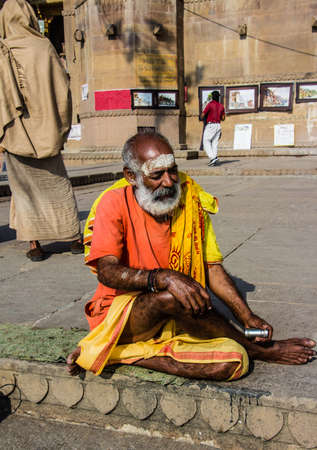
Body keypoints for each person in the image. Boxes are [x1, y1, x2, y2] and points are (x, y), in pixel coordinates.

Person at [67, 131, 315, 380]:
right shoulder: (113, 202)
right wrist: (163, 278)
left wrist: (246, 316)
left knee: (232, 362)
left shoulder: (190, 199)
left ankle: (114, 355)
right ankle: (262, 351)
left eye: (172, 170)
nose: (168, 181)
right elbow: (106, 270)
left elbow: (212, 268)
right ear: (131, 176)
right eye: (156, 175)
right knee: (172, 296)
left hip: (176, 314)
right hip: (124, 317)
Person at [0, 0, 83, 261]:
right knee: (57, 184)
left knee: (23, 191)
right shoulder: (44, 47)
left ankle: (35, 244)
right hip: (47, 132)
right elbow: (62, 90)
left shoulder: (3, 51)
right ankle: (74, 238)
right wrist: (59, 127)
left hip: (17, 133)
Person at [200, 91, 225, 167]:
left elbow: (202, 115)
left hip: (211, 125)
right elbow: (223, 118)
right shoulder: (221, 106)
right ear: (218, 97)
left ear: (212, 97)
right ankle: (214, 159)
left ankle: (213, 158)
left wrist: (202, 115)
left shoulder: (210, 105)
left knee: (206, 141)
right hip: (218, 125)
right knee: (214, 143)